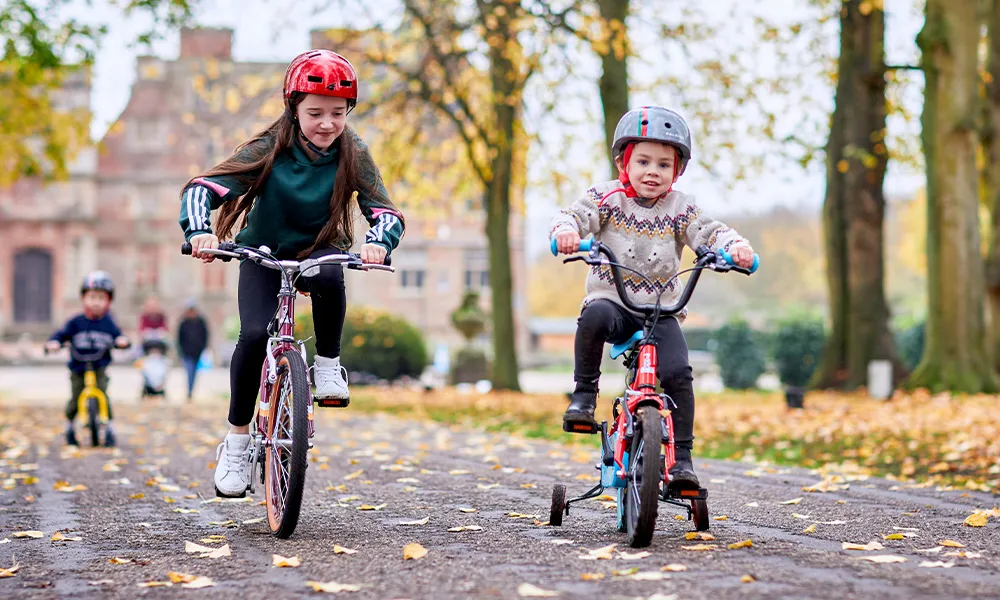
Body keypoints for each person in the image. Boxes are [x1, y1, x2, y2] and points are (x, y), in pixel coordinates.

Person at [178, 49, 405, 497]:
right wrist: (200, 231)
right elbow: (200, 189)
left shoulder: (352, 151)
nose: (327, 124)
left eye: (338, 113)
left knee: (328, 275)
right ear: (294, 109)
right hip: (263, 252)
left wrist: (379, 240)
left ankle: (328, 365)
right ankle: (238, 441)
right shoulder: (270, 147)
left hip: (318, 250)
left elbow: (385, 211)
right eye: (315, 113)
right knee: (254, 335)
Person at [549, 106, 756, 490]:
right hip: (614, 302)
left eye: (664, 164)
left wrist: (736, 247)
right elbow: (574, 216)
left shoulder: (681, 207)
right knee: (592, 317)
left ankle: (683, 462)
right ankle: (583, 396)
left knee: (678, 374)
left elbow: (709, 232)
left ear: (676, 171)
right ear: (623, 162)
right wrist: (565, 232)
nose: (652, 171)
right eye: (642, 161)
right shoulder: (606, 197)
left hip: (662, 311)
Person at [45, 271, 130, 447]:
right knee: (75, 398)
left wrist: (122, 341)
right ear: (83, 298)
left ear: (108, 301)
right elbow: (61, 335)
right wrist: (54, 342)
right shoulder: (76, 322)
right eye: (92, 297)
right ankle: (69, 426)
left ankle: (109, 428)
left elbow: (118, 336)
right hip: (78, 367)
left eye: (101, 298)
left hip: (99, 366)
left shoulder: (109, 322)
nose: (96, 302)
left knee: (103, 395)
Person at [177, 300, 210, 401]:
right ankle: (189, 391)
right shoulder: (184, 323)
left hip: (197, 352)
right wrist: (181, 351)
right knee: (189, 371)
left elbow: (205, 335)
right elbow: (180, 338)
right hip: (187, 352)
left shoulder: (201, 322)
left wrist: (203, 347)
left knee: (194, 372)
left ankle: (191, 390)